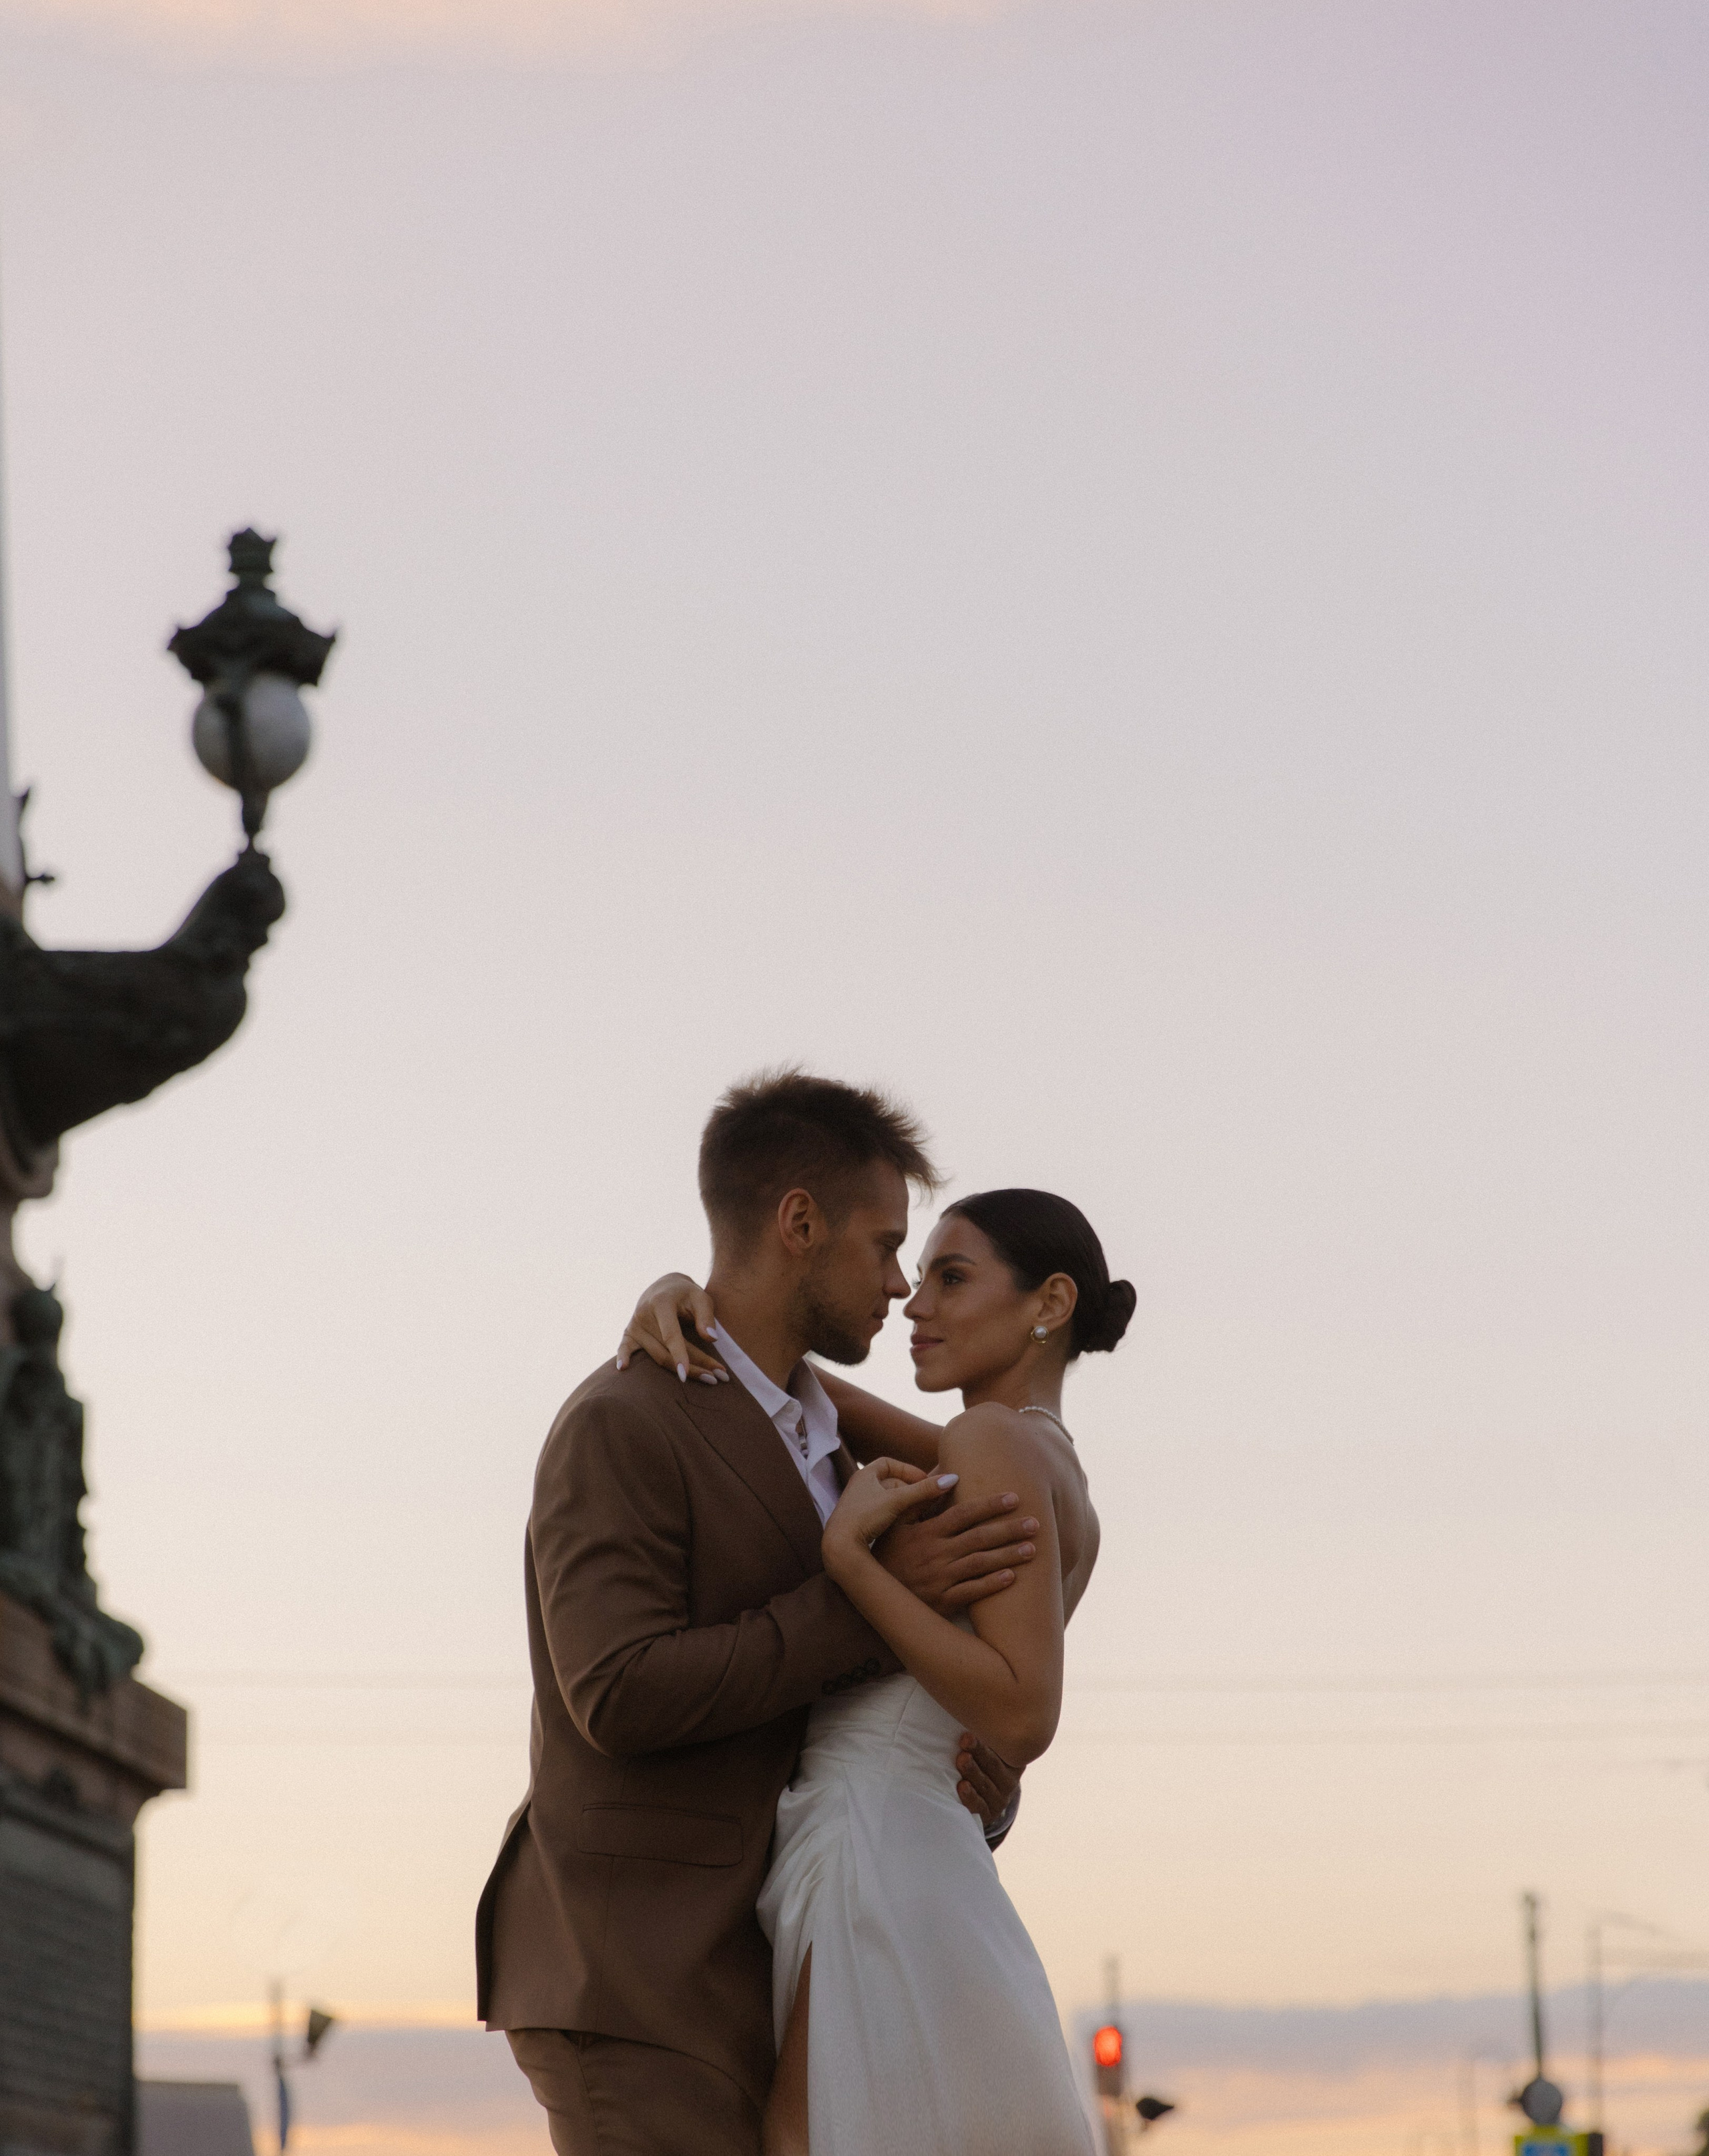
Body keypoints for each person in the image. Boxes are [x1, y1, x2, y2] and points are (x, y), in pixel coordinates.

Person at [477, 1071, 1043, 2156]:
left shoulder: (836, 1445)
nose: (899, 1286)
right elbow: (617, 1690)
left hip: (787, 1967)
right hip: (638, 1979)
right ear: (799, 1223)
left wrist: (972, 1776)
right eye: (886, 1246)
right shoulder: (622, 1418)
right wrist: (868, 1601)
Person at [622, 1182, 1135, 2156]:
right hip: (926, 1855)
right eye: (918, 1273)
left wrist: (853, 1567)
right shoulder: (1048, 1469)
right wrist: (687, 1298)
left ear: (1051, 1302)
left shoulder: (989, 1441)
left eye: (952, 1277)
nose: (914, 1303)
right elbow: (814, 1399)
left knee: (807, 2137)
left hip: (876, 1846)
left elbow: (1022, 1712)